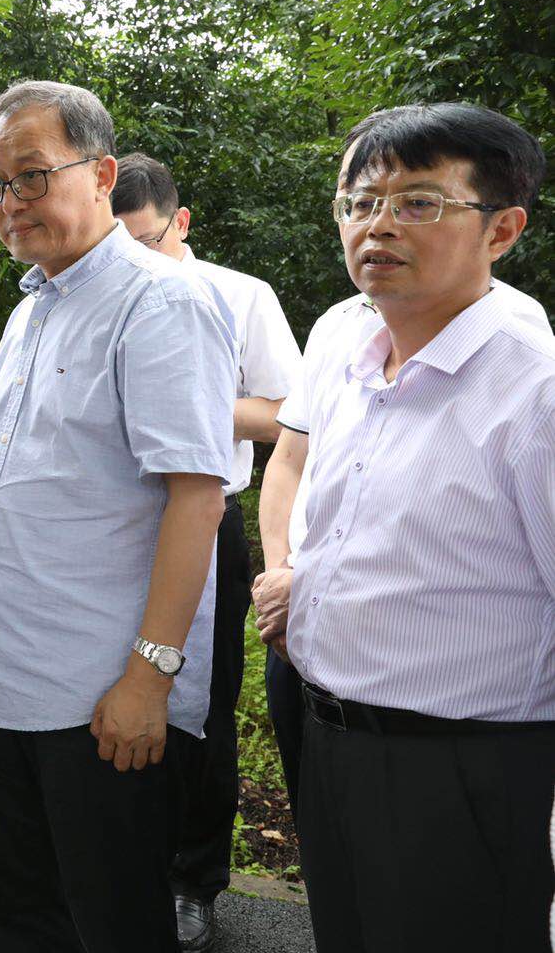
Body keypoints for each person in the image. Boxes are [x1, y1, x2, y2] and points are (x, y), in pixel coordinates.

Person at [0, 81, 235, 953]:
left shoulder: (160, 302)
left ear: (103, 174)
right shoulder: (32, 308)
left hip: (102, 703)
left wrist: (149, 678)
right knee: (22, 923)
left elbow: (198, 497)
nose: (10, 201)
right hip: (9, 679)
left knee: (111, 926)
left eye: (32, 176)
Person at [281, 102, 555, 953]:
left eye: (420, 203)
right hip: (332, 743)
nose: (379, 225)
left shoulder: (535, 394)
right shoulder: (348, 355)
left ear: (502, 229)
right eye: (361, 202)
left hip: (466, 773)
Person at [252, 276, 548, 808]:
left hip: (449, 733)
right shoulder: (337, 326)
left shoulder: (522, 352)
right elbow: (289, 461)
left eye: (417, 215)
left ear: (498, 236)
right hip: (306, 653)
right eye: (359, 217)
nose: (379, 233)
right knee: (324, 832)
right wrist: (282, 576)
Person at [112, 152, 301, 952]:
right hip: (110, 523)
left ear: (180, 222)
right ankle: (119, 868)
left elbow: (287, 412)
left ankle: (194, 879)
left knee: (200, 706)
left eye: (144, 242)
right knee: (111, 689)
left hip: (204, 515)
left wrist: (183, 406)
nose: (130, 261)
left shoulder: (238, 295)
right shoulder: (91, 293)